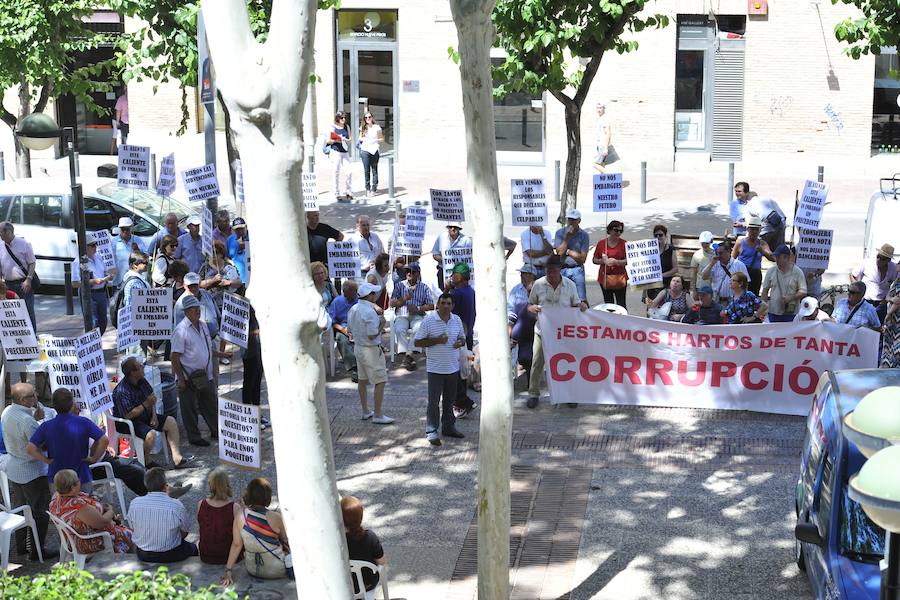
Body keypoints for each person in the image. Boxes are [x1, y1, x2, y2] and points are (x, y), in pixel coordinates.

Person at [1, 383, 56, 560]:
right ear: (24, 400)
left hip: (15, 469)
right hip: (32, 471)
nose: (37, 397)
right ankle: (37, 550)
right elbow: (41, 443)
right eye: (33, 395)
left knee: (20, 508)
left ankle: (21, 546)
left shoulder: (7, 411)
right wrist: (39, 421)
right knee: (39, 511)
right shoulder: (27, 421)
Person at [526, 256, 588, 409]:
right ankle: (533, 394)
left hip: (564, 332)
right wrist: (532, 309)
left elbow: (577, 305)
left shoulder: (570, 285)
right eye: (548, 271)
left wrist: (582, 307)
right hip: (542, 331)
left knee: (567, 363)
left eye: (554, 271)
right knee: (537, 363)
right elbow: (529, 305)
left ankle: (568, 395)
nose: (551, 274)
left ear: (560, 270)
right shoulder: (538, 284)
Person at [112, 357, 189, 468]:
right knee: (150, 434)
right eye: (139, 366)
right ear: (133, 373)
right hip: (128, 422)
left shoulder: (141, 380)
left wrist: (154, 416)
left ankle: (177, 458)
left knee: (171, 421)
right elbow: (129, 414)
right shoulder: (121, 391)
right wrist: (145, 404)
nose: (143, 367)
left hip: (145, 416)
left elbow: (152, 398)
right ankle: (146, 461)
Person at [26, 388, 108, 490]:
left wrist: (46, 460)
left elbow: (30, 449)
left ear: (53, 404)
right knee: (83, 504)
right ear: (72, 404)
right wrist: (94, 458)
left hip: (57, 477)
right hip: (81, 475)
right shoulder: (84, 422)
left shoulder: (46, 426)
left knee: (60, 505)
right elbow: (104, 440)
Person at [171, 295, 224, 447]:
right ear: (186, 311)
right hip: (189, 377)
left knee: (210, 404)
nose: (197, 311)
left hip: (205, 375)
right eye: (193, 308)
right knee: (189, 409)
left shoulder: (203, 325)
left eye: (198, 308)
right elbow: (174, 357)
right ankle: (194, 437)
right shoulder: (180, 330)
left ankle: (216, 430)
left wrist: (221, 354)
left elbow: (208, 348)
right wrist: (181, 380)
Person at [414, 293, 467, 445]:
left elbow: (462, 338)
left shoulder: (456, 320)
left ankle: (449, 426)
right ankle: (431, 430)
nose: (445, 306)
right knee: (433, 402)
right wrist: (437, 340)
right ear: (438, 304)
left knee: (450, 401)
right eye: (442, 303)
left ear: (453, 306)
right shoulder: (429, 320)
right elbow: (417, 343)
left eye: (448, 303)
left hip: (452, 367)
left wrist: (460, 342)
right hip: (435, 368)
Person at [222, 478, 290, 585]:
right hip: (276, 569)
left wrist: (228, 571)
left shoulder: (240, 515)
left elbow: (236, 545)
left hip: (252, 569)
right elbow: (286, 541)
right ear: (267, 496)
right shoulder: (276, 517)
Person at [49, 469, 134, 554]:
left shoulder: (57, 497)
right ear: (72, 487)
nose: (80, 481)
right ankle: (128, 560)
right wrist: (111, 512)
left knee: (125, 530)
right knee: (130, 534)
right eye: (78, 480)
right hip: (87, 541)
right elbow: (102, 522)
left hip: (72, 537)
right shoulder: (77, 506)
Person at [127, 467, 198, 563]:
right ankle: (172, 492)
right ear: (165, 486)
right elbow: (185, 531)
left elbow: (132, 528)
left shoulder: (134, 503)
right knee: (193, 548)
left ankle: (173, 492)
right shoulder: (176, 505)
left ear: (146, 485)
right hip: (170, 554)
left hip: (143, 554)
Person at [348, 283, 393, 424]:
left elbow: (349, 329)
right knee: (380, 381)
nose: (376, 295)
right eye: (374, 293)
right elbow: (373, 334)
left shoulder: (353, 309)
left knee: (362, 380)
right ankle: (378, 414)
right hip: (371, 349)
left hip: (358, 348)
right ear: (370, 295)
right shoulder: (369, 312)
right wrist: (382, 323)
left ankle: (366, 411)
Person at [390, 262, 435, 371]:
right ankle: (409, 354)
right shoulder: (399, 285)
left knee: (419, 328)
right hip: (402, 314)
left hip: (417, 315)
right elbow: (392, 303)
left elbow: (431, 305)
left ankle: (407, 353)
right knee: (399, 329)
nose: (409, 274)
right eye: (407, 271)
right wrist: (404, 299)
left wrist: (418, 308)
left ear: (418, 274)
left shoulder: (424, 287)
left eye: (413, 272)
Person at [341, 496, 386, 599]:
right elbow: (382, 562)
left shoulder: (339, 541)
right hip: (369, 583)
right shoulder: (370, 536)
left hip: (346, 584)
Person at [71, 232, 114, 333]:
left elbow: (104, 271)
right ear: (85, 247)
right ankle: (89, 345)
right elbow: (75, 283)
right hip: (89, 294)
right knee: (92, 322)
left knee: (103, 322)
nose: (95, 247)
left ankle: (95, 343)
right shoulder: (79, 262)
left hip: (101, 293)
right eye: (92, 245)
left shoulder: (98, 257)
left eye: (95, 244)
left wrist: (109, 275)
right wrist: (92, 281)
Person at [449, 263, 477, 417]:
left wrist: (448, 290)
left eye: (454, 274)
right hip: (468, 335)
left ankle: (464, 402)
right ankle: (460, 404)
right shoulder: (470, 291)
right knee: (462, 373)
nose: (452, 276)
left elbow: (444, 310)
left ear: (460, 277)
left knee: (455, 373)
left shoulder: (457, 294)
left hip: (458, 339)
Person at [198, 467, 239, 565]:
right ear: (227, 485)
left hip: (206, 555)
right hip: (228, 555)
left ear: (210, 485)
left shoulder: (201, 504)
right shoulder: (234, 507)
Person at [0, 221, 37, 330]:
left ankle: (32, 338)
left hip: (23, 283)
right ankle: (14, 341)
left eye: (1, 232)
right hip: (7, 284)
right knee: (10, 313)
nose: (0, 234)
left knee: (27, 310)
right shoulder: (0, 246)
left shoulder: (24, 244)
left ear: (9, 232)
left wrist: (28, 279)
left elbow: (32, 262)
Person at [851, 243, 897, 324]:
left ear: (888, 260)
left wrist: (888, 299)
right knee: (861, 326)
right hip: (865, 301)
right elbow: (852, 275)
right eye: (878, 256)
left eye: (882, 259)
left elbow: (896, 284)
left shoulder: (893, 268)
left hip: (881, 304)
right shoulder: (867, 263)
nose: (879, 260)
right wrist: (857, 291)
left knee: (878, 329)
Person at [761, 244, 806, 322]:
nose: (776, 260)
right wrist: (763, 307)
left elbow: (803, 291)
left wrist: (791, 297)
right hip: (773, 312)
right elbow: (765, 291)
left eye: (779, 257)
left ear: (787, 258)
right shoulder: (771, 271)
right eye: (776, 257)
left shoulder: (797, 272)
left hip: (791, 314)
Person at [508, 265, 537, 382]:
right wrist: (509, 330)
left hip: (535, 331)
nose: (521, 276)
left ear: (531, 275)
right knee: (524, 358)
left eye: (524, 273)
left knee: (532, 358)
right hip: (520, 332)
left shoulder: (539, 289)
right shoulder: (516, 290)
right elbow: (510, 311)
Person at [554, 209, 590, 302]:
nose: (571, 222)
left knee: (581, 299)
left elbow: (582, 258)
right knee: (563, 299)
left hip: (577, 269)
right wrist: (567, 238)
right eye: (569, 219)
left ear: (579, 221)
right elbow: (559, 253)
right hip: (562, 269)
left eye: (574, 220)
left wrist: (568, 251)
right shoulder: (560, 233)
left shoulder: (584, 235)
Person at [731, 216, 772, 295]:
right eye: (752, 229)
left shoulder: (762, 243)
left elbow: (772, 258)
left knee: (754, 297)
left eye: (757, 230)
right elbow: (732, 260)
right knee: (741, 296)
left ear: (760, 231)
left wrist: (762, 251)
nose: (754, 232)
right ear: (748, 229)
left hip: (755, 274)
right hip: (742, 274)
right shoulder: (740, 242)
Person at [592, 220, 628, 308]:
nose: (618, 233)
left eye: (621, 231)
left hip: (620, 277)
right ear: (610, 230)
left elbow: (629, 260)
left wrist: (616, 262)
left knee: (621, 303)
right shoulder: (601, 244)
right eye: (616, 230)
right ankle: (609, 321)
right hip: (605, 278)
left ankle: (622, 321)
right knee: (608, 304)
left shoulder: (624, 243)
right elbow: (594, 260)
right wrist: (603, 261)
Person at [329, 279, 359, 383]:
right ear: (345, 292)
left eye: (356, 290)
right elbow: (331, 321)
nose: (355, 293)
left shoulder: (359, 300)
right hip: (342, 327)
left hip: (358, 327)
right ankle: (354, 368)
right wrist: (343, 329)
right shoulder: (337, 302)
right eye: (352, 291)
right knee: (341, 339)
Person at [199, 240, 242, 311]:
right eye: (211, 252)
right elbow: (199, 284)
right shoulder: (205, 267)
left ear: (222, 254)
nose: (213, 255)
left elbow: (239, 282)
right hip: (210, 306)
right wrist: (213, 280)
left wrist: (229, 283)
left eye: (216, 252)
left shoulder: (229, 266)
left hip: (228, 306)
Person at [431, 223, 472, 290]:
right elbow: (435, 254)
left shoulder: (466, 240)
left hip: (460, 274)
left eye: (455, 227)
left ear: (459, 229)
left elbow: (470, 258)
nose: (452, 229)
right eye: (450, 227)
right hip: (443, 271)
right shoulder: (441, 238)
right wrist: (446, 260)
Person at [110, 217, 147, 293]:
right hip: (118, 280)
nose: (125, 231)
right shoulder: (114, 241)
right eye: (123, 229)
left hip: (134, 280)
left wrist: (137, 250)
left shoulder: (138, 240)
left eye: (127, 229)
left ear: (131, 229)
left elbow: (146, 258)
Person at [646, 224, 678, 302]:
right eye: (655, 235)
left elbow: (675, 269)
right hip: (652, 286)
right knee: (651, 308)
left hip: (666, 285)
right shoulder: (649, 249)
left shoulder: (671, 249)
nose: (658, 237)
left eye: (660, 235)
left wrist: (661, 275)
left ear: (666, 236)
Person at [329, 111, 353, 202]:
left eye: (345, 118)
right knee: (336, 171)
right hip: (335, 151)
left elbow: (350, 138)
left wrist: (344, 139)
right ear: (337, 118)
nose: (343, 119)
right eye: (342, 118)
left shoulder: (347, 127)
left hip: (345, 151)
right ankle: (336, 192)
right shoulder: (333, 127)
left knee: (349, 171)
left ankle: (348, 191)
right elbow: (329, 140)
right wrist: (337, 140)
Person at [359, 111, 384, 197]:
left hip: (374, 150)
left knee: (374, 170)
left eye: (369, 117)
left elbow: (381, 139)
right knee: (366, 170)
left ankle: (374, 188)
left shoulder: (376, 127)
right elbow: (360, 138)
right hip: (365, 150)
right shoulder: (363, 127)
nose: (368, 119)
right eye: (366, 118)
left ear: (372, 118)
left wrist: (375, 140)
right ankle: (367, 188)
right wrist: (365, 138)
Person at [689, 231, 715, 300]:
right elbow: (693, 274)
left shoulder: (716, 254)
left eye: (706, 243)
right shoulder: (697, 254)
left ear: (711, 241)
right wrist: (693, 290)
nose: (704, 245)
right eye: (702, 243)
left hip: (714, 286)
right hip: (700, 287)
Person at [880, 279, 900, 367]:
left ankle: (895, 368)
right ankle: (888, 366)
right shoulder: (896, 280)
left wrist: (888, 314)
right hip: (893, 320)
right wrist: (891, 299)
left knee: (896, 345)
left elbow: (898, 301)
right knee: (889, 344)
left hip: (896, 318)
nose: (897, 265)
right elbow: (888, 297)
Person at [592, 100, 616, 173]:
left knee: (595, 164)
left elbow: (608, 133)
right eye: (597, 108)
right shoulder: (601, 119)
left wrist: (605, 148)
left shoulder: (605, 119)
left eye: (600, 108)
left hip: (603, 146)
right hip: (600, 145)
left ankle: (610, 176)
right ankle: (603, 183)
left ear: (604, 109)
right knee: (602, 164)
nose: (599, 110)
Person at [226, 217, 250, 285]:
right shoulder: (230, 240)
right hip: (237, 281)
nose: (240, 232)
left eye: (242, 229)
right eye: (237, 230)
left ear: (246, 227)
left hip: (251, 279)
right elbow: (226, 257)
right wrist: (231, 262)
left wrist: (246, 246)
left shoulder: (253, 238)